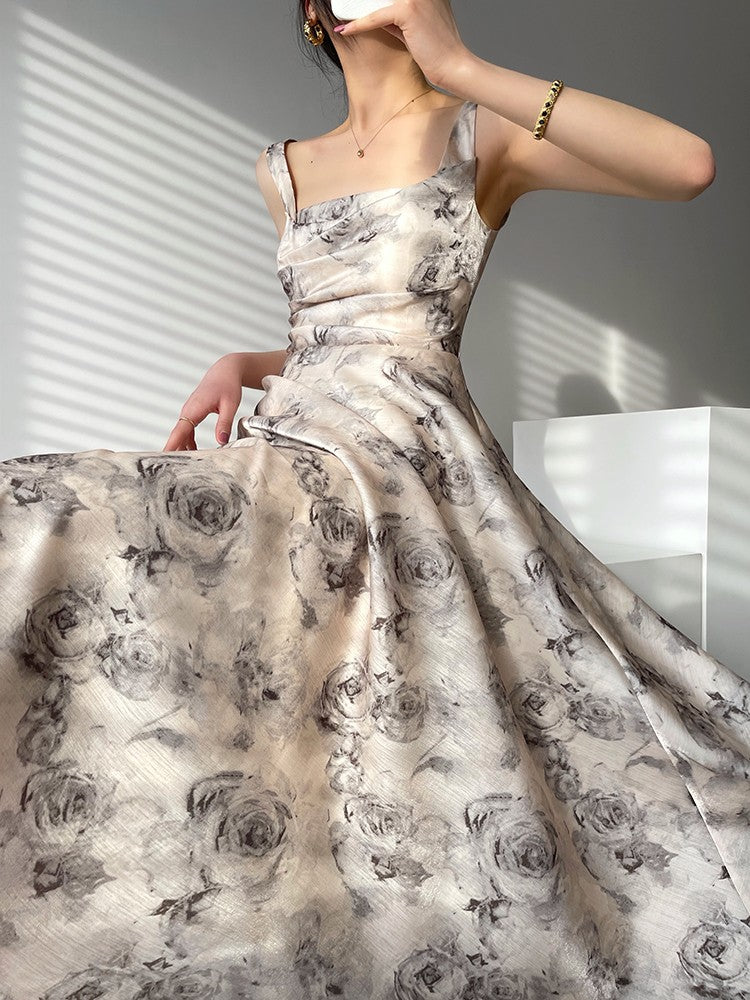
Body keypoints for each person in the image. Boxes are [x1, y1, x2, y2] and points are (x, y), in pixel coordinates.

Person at [0, 1, 747, 998]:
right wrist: (247, 361)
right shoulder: (282, 168)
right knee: (45, 507)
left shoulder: (478, 132)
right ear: (318, 14)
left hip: (402, 456)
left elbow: (688, 165)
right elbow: (336, 330)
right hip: (294, 443)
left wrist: (462, 64)